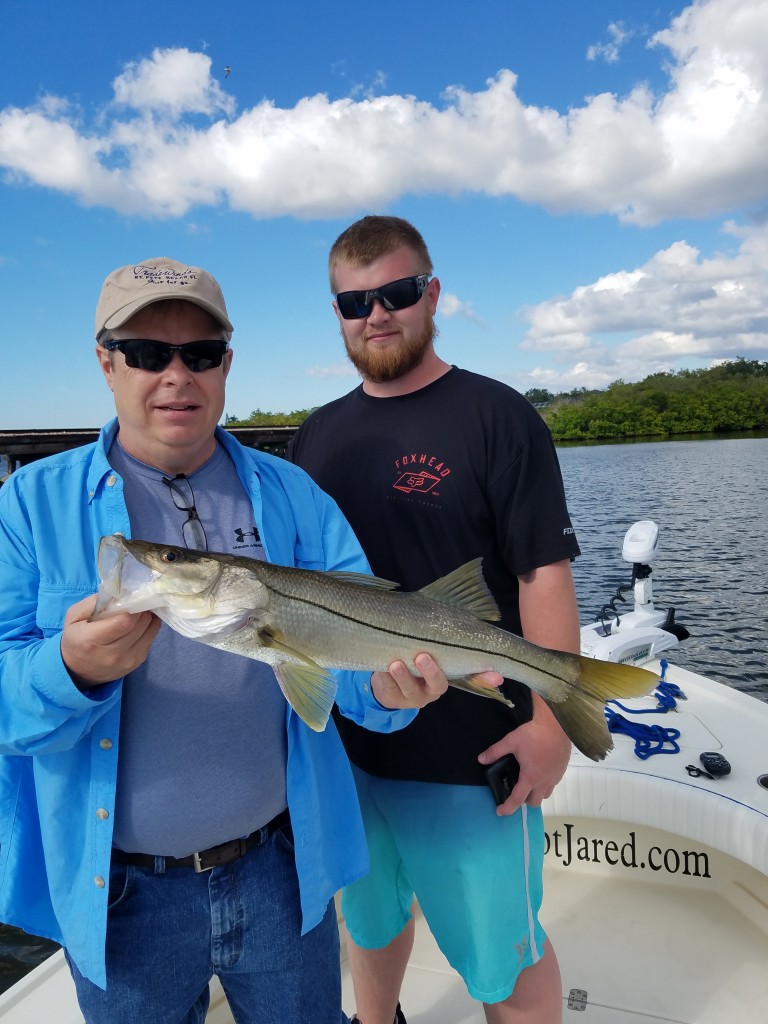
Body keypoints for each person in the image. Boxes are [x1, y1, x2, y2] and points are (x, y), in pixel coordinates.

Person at [0, 256, 462, 1024]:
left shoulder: (296, 497)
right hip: (118, 897)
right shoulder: (26, 506)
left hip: (285, 871)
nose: (175, 374)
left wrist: (387, 693)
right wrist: (68, 669)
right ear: (106, 363)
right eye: (147, 352)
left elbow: (350, 677)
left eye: (200, 353)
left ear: (226, 366)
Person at [289, 216, 581, 1024]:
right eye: (354, 302)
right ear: (338, 313)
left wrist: (551, 725)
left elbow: (542, 575)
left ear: (433, 293)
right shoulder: (316, 436)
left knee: (502, 956)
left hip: (473, 750)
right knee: (371, 920)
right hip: (349, 754)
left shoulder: (497, 416)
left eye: (397, 292)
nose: (376, 314)